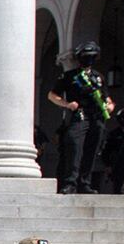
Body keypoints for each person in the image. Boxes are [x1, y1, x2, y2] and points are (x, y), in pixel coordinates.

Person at [46, 43, 111, 195]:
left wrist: (109, 105)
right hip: (79, 115)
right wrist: (67, 104)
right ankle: (70, 183)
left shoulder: (98, 77)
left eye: (92, 57)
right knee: (74, 148)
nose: (89, 59)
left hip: (96, 117)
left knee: (91, 149)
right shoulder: (70, 76)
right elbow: (52, 95)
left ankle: (85, 183)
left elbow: (107, 97)